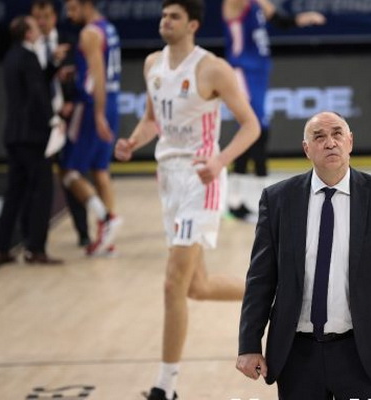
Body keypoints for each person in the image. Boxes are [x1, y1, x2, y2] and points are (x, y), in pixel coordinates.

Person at [114, 1, 260, 398]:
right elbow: (151, 120)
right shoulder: (151, 65)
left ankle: (166, 386)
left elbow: (251, 125)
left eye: (174, 16)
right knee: (197, 286)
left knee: (172, 283)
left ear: (193, 24)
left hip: (202, 179)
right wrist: (133, 140)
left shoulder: (212, 68)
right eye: (163, 15)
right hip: (169, 180)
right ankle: (275, 291)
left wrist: (219, 160)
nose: (166, 21)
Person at [236, 111, 371, 398]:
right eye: (319, 137)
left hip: (362, 354)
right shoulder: (278, 200)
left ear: (350, 141)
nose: (330, 143)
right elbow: (260, 279)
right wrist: (249, 344)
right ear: (306, 149)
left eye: (337, 134)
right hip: (297, 355)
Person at [222, 0, 325, 221]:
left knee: (256, 131)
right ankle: (263, 199)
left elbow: (281, 21)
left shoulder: (259, 4)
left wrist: (303, 18)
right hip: (243, 71)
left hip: (259, 71)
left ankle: (236, 200)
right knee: (256, 129)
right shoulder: (236, 3)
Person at [0, 15, 65, 265]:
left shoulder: (11, 57)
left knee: (14, 192)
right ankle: (35, 249)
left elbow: (34, 84)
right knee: (42, 191)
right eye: (35, 27)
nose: (39, 30)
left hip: (14, 135)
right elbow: (38, 93)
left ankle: (2, 248)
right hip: (33, 136)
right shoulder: (28, 58)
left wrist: (54, 65)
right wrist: (53, 120)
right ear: (27, 33)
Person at [60, 0, 122, 256]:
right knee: (100, 169)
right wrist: (76, 69)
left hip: (91, 106)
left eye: (74, 8)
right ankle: (107, 240)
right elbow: (101, 67)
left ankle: (106, 217)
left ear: (87, 4)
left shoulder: (88, 33)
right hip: (113, 102)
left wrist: (97, 114)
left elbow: (97, 75)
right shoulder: (108, 27)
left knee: (68, 171)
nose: (70, 13)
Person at [31, 0, 91, 248]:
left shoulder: (70, 40)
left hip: (67, 120)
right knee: (39, 181)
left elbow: (83, 75)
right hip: (39, 122)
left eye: (46, 16)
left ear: (55, 17)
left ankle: (84, 233)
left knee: (72, 174)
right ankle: (34, 237)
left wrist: (70, 100)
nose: (42, 22)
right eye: (37, 17)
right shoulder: (28, 45)